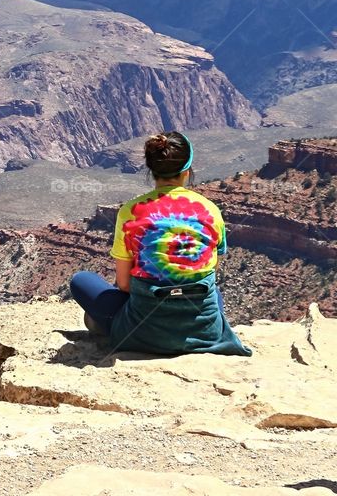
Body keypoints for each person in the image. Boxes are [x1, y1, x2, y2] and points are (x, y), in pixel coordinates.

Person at [70, 131, 252, 356]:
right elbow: (211, 273)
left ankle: (109, 325)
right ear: (187, 171)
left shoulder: (131, 212)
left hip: (141, 333)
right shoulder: (210, 211)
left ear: (151, 170)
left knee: (81, 281)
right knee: (212, 291)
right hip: (205, 333)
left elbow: (124, 285)